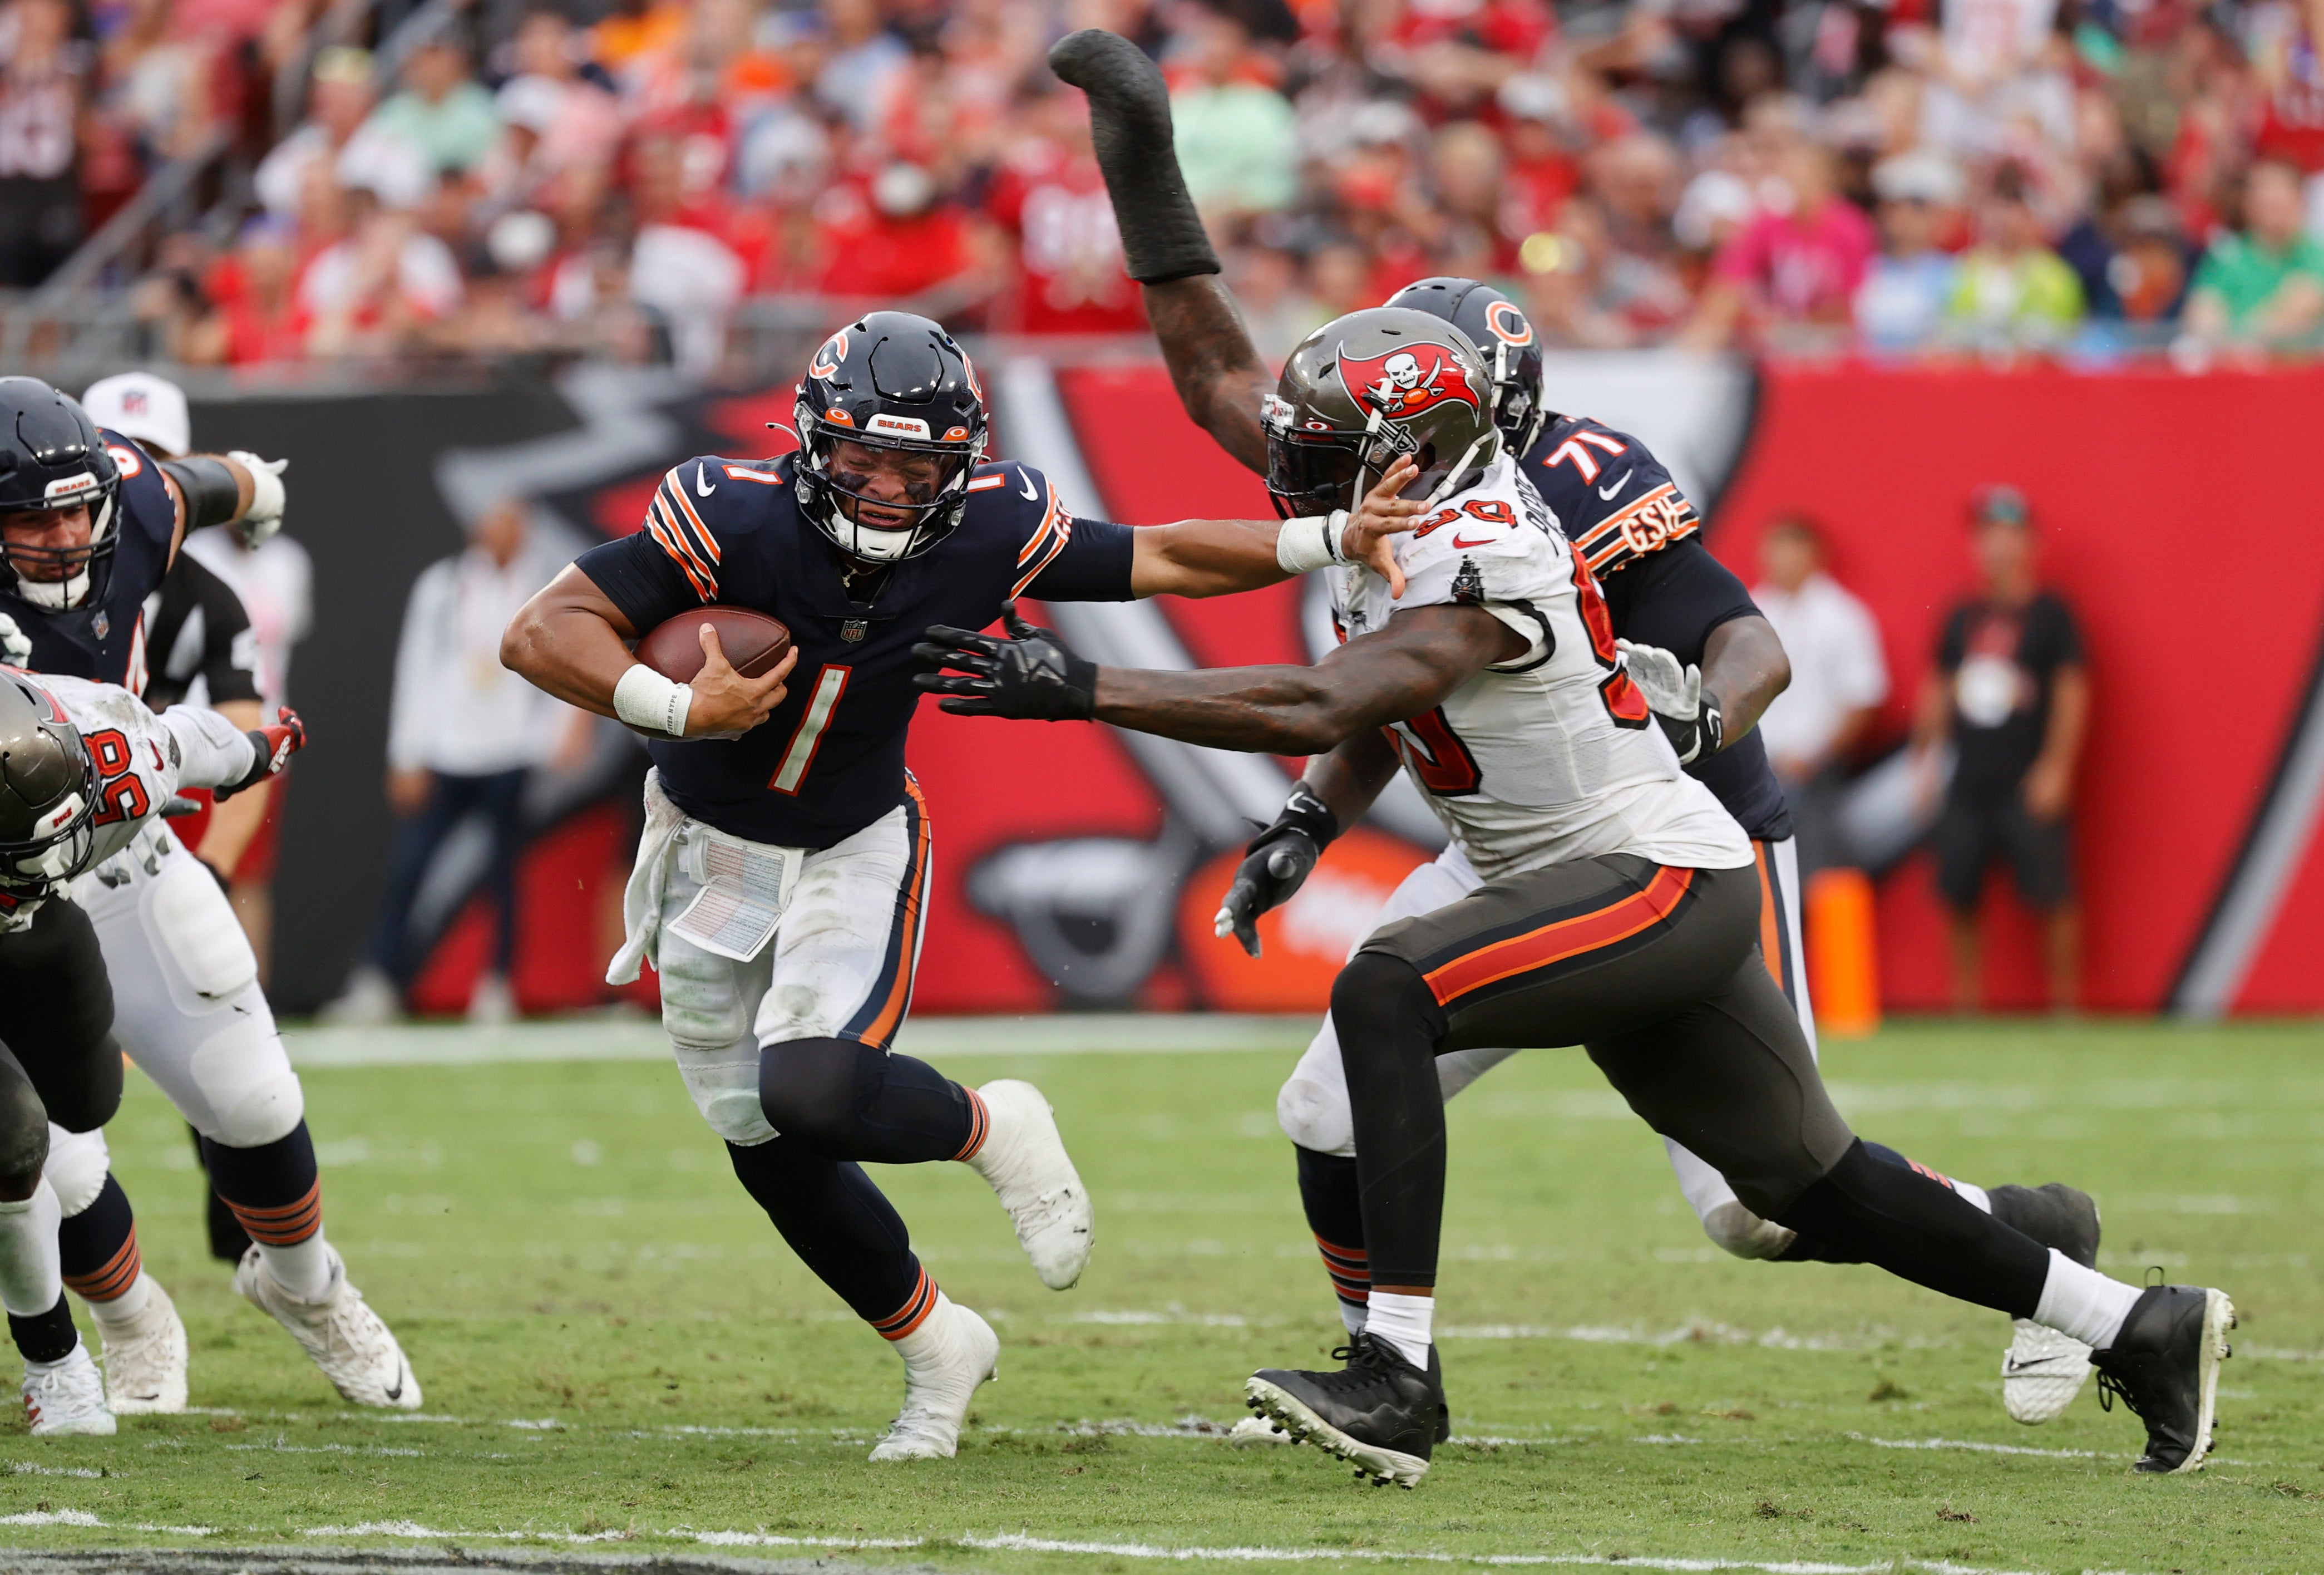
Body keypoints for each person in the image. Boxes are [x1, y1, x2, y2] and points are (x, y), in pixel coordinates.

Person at [917, 307, 2234, 1489]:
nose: (1296, 462)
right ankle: (2132, 1320)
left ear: (1419, 446)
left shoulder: (1482, 542)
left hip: (1649, 874)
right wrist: (1136, 137)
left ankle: (1397, 1379)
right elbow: (1230, 403)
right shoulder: (1410, 513)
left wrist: (1077, 685)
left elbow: (1317, 700)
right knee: (1797, 1186)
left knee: (1389, 986)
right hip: (1565, 870)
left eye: (1332, 440)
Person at [1045, 27, 2095, 1433]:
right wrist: (1140, 147)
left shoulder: (1547, 502)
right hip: (1505, 836)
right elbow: (1239, 417)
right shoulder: (1379, 473)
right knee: (1328, 1106)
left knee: (1756, 1202)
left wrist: (1707, 713)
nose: (1319, 435)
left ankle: (2039, 1245)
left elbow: (1744, 636)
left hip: (1660, 830)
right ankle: (1376, 1369)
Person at [499, 309, 1417, 1461]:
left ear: (962, 463)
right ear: (808, 442)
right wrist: (680, 707)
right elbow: (542, 632)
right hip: (705, 847)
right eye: (860, 458)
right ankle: (936, 1343)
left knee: (818, 1093)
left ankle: (996, 1125)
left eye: (917, 464)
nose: (885, 489)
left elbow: (1164, 553)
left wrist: (1330, 535)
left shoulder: (994, 526)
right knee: (760, 1138)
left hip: (853, 840)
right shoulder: (728, 511)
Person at [0, 376, 420, 1415]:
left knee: (254, 1099)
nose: (61, 538)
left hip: (125, 855)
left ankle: (308, 1287)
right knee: (52, 1157)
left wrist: (258, 489)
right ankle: (131, 1317)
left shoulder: (138, 501)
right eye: (29, 518)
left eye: (75, 510)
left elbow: (214, 483)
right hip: (11, 900)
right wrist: (213, 749)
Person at [0, 667, 303, 1435]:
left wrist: (260, 751)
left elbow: (195, 740)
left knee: (85, 1102)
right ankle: (55, 1363)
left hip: (39, 934)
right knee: (15, 1141)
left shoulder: (118, 755)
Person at [328, 499, 579, 1026]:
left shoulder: (546, 590)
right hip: (446, 752)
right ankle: (379, 981)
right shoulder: (443, 587)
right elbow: (416, 668)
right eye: (491, 523)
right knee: (408, 870)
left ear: (524, 530)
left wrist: (554, 735)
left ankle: (497, 985)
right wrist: (406, 754)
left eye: (510, 524)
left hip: (512, 753)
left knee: (503, 877)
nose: (499, 534)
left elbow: (562, 663)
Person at [1913, 485, 2088, 1013]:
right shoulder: (1961, 615)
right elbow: (1939, 686)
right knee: (1958, 891)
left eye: (2008, 535)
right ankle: (1966, 1002)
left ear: (2029, 543)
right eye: (1987, 535)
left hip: (2025, 774)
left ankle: (2065, 1005)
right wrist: (1924, 760)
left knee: (2050, 892)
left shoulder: (2051, 615)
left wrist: (2056, 767)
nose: (1996, 547)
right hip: (1968, 777)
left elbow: (2072, 692)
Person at [1751, 516, 1888, 879]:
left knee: (1817, 870)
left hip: (1812, 769)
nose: (1775, 560)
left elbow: (1863, 699)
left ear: (1811, 554)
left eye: (1785, 550)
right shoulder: (1752, 609)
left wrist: (1814, 757)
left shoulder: (1842, 617)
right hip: (1756, 764)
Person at [2182, 158, 2324, 349]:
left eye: (2279, 195)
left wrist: (2240, 339)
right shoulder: (2226, 257)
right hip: (2236, 371)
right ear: (2247, 203)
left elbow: (2300, 312)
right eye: (2262, 195)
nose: (2270, 200)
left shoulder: (2317, 255)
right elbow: (2202, 319)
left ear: (2300, 200)